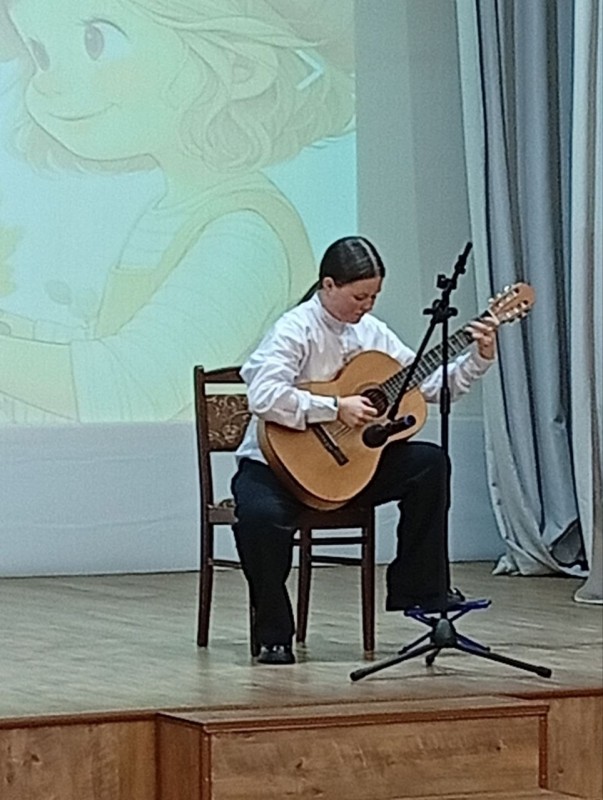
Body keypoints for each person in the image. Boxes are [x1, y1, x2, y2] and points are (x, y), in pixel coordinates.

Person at [0, 0, 353, 422]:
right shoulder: (176, 208)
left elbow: (133, 386)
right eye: (41, 55)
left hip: (211, 461)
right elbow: (118, 341)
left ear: (240, 66)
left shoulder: (246, 230)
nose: (47, 84)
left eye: (96, 41)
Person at [232, 236, 499, 665]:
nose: (367, 305)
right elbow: (263, 396)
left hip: (349, 468)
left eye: (374, 296)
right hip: (277, 467)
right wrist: (334, 407)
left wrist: (479, 357)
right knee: (259, 519)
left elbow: (429, 386)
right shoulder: (294, 329)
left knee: (430, 463)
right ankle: (274, 634)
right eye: (359, 296)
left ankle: (419, 587)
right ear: (328, 285)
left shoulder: (373, 333)